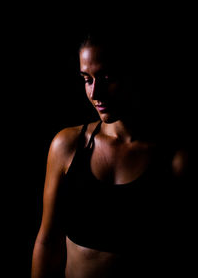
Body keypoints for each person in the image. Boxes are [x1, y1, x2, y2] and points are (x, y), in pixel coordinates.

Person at [31, 30, 189, 278]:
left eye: (106, 77)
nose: (95, 93)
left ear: (133, 73)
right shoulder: (68, 146)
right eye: (87, 79)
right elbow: (47, 241)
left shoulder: (173, 159)